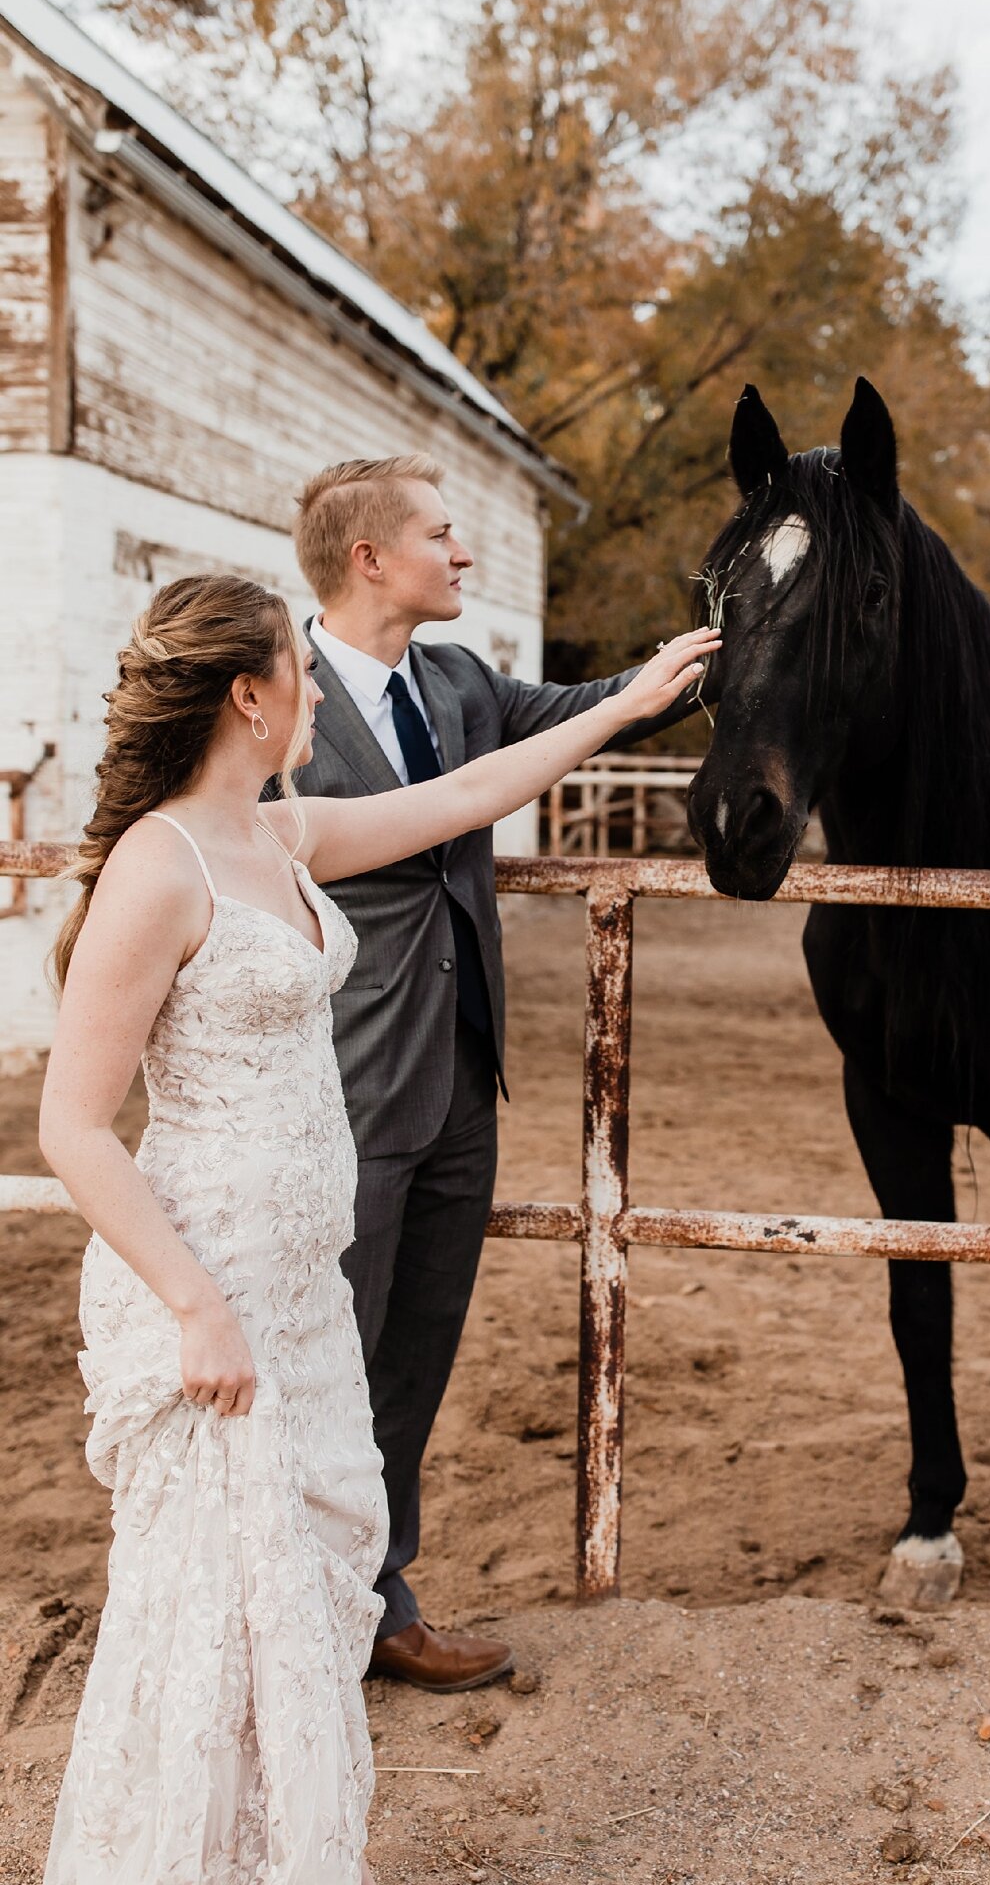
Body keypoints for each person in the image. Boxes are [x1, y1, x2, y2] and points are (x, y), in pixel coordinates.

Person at [38, 572, 717, 1884]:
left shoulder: (278, 837)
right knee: (209, 1623)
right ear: (249, 694)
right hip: (214, 1290)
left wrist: (625, 706)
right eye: (299, 661)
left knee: (294, 1610)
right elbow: (72, 1125)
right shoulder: (157, 865)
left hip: (299, 1293)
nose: (315, 684)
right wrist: (193, 1306)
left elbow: (464, 797)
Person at [289, 454, 698, 1691]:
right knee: (327, 1356)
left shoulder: (458, 679)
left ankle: (379, 1592)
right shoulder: (274, 698)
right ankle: (294, 1615)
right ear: (371, 559)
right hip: (338, 1087)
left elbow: (598, 701)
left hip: (465, 1081)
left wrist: (727, 638)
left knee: (414, 1357)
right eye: (443, 533)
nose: (464, 553)